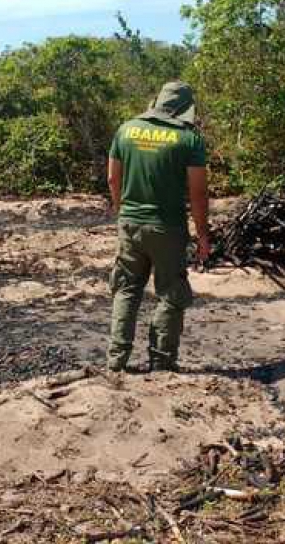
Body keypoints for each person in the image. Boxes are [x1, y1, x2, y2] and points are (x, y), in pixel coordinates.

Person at [106, 81, 209, 372]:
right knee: (171, 294)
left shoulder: (126, 129)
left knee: (125, 289)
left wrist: (121, 212)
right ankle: (161, 363)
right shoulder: (189, 139)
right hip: (168, 228)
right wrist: (203, 236)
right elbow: (198, 193)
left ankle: (116, 361)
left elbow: (113, 179)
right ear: (185, 108)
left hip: (130, 224)